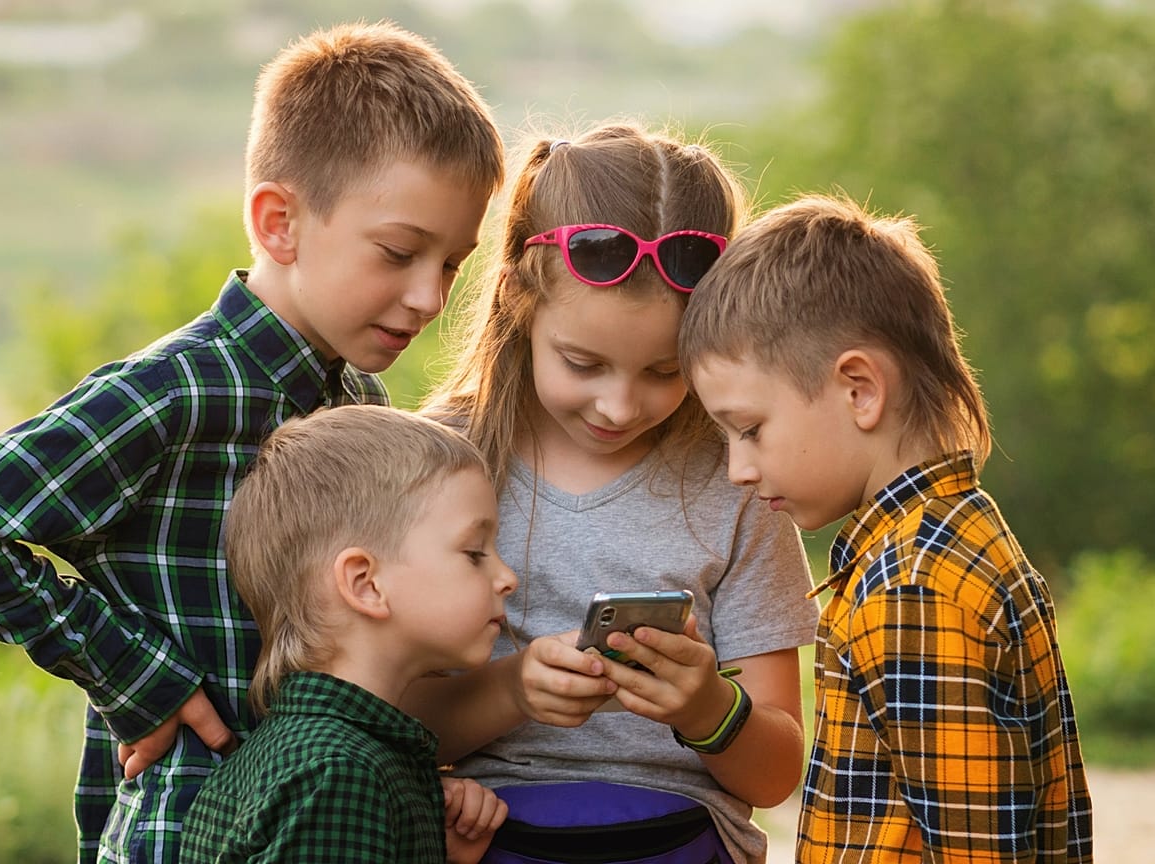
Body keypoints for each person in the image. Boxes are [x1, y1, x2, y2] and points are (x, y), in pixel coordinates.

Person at [0, 21, 503, 863]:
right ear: (279, 223)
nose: (428, 296)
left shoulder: (363, 406)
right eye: (398, 253)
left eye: (453, 265)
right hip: (184, 827)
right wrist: (139, 680)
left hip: (329, 818)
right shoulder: (175, 392)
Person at [406, 123, 821, 864]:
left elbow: (777, 771)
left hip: (679, 836)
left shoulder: (740, 485)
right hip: (487, 836)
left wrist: (707, 709)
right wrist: (511, 693)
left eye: (665, 372)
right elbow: (380, 717)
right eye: (583, 362)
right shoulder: (435, 462)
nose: (620, 406)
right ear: (516, 303)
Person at [677, 194, 1094, 863]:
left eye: (750, 430)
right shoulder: (960, 537)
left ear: (861, 390)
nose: (738, 469)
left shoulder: (910, 590)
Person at [180, 405, 515, 864]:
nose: (508, 577)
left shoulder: (289, 754)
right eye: (475, 552)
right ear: (365, 584)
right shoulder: (339, 772)